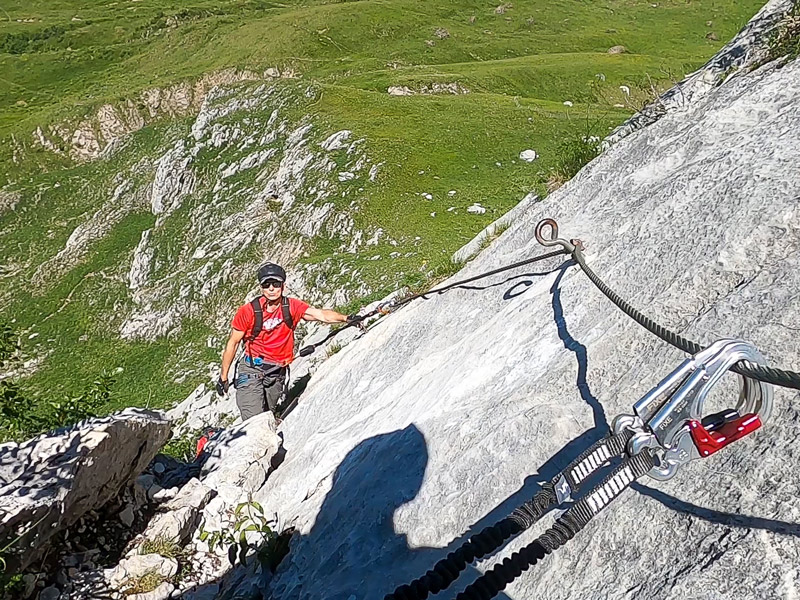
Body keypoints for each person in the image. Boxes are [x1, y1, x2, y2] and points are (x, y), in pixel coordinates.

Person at [216, 262, 360, 421]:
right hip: (252, 371)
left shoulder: (291, 306)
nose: (271, 288)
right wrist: (224, 377)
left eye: (276, 284)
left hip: (277, 373)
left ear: (283, 285)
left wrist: (346, 318)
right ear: (261, 287)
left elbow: (320, 315)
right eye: (266, 284)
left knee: (267, 416)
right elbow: (233, 343)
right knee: (254, 422)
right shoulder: (248, 311)